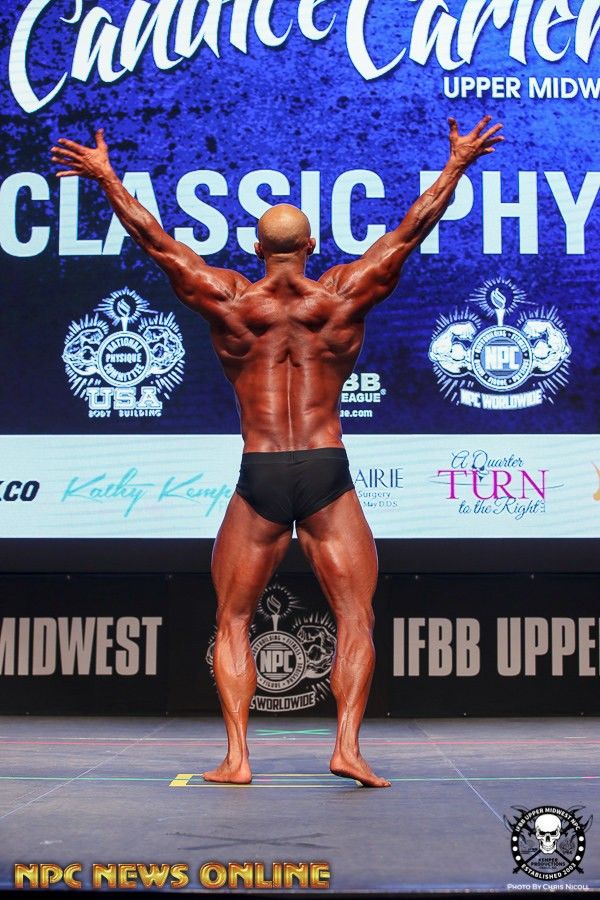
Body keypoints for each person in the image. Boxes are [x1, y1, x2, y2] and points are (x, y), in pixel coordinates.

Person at [51, 115, 503, 787]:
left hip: (260, 471)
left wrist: (106, 176)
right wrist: (457, 163)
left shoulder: (229, 301)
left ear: (255, 246)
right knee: (355, 616)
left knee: (233, 617)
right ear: (312, 245)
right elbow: (411, 230)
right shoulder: (343, 296)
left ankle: (237, 758)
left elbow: (155, 241)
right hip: (325, 469)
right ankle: (346, 747)